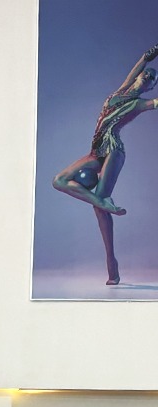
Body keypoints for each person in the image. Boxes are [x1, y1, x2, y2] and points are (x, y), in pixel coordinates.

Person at [52, 44, 158, 284]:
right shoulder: (121, 90)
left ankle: (112, 263)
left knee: (99, 211)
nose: (148, 77)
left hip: (113, 152)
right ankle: (103, 202)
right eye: (147, 74)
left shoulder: (140, 104)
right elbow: (141, 63)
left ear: (150, 87)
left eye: (152, 79)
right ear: (139, 77)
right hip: (95, 152)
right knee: (59, 180)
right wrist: (151, 54)